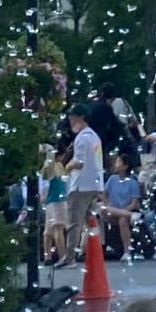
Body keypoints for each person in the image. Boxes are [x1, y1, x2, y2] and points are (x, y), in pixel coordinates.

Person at [66, 106, 106, 262]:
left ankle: (70, 257)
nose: (70, 121)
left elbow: (79, 162)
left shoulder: (82, 138)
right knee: (91, 220)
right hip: (94, 185)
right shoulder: (95, 137)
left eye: (72, 117)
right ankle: (94, 251)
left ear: (80, 117)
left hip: (80, 185)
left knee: (74, 223)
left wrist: (67, 166)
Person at [102, 161, 141, 258]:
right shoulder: (112, 179)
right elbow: (103, 194)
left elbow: (134, 203)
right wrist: (108, 203)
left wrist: (125, 210)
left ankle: (127, 251)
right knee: (103, 208)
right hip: (111, 210)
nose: (115, 164)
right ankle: (130, 216)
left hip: (126, 210)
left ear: (125, 166)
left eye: (118, 162)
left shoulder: (133, 182)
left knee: (123, 219)